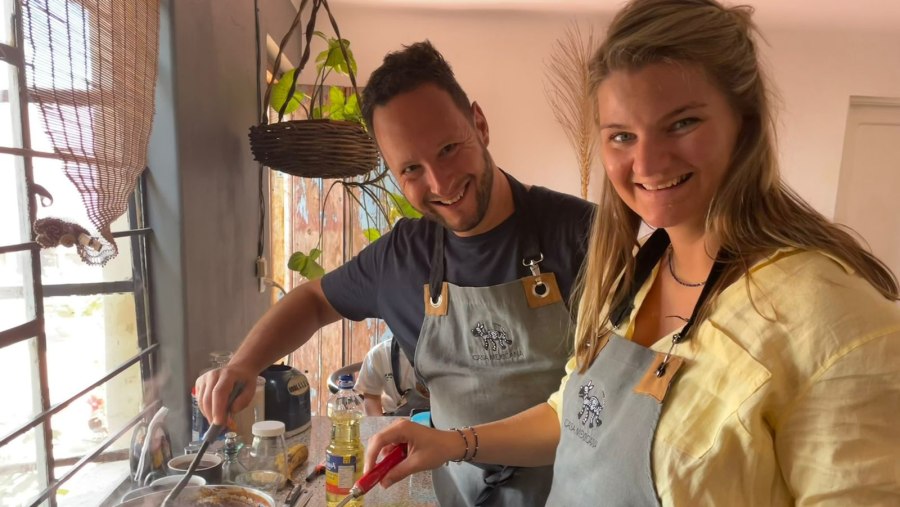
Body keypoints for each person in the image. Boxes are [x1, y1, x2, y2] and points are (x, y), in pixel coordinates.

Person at [363, 1, 900, 505]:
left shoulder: (831, 317)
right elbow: (573, 413)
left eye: (682, 122)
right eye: (621, 135)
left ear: (745, 121)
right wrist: (454, 443)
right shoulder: (637, 275)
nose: (647, 162)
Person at [196, 41, 595, 506]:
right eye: (411, 169)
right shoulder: (403, 256)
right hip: (461, 497)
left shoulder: (586, 236)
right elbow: (314, 300)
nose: (441, 183)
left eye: (448, 148)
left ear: (479, 124)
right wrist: (244, 363)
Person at [356, 335, 421, 416]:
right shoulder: (379, 353)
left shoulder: (439, 350)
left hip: (438, 422)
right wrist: (378, 424)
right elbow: (372, 397)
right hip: (394, 419)